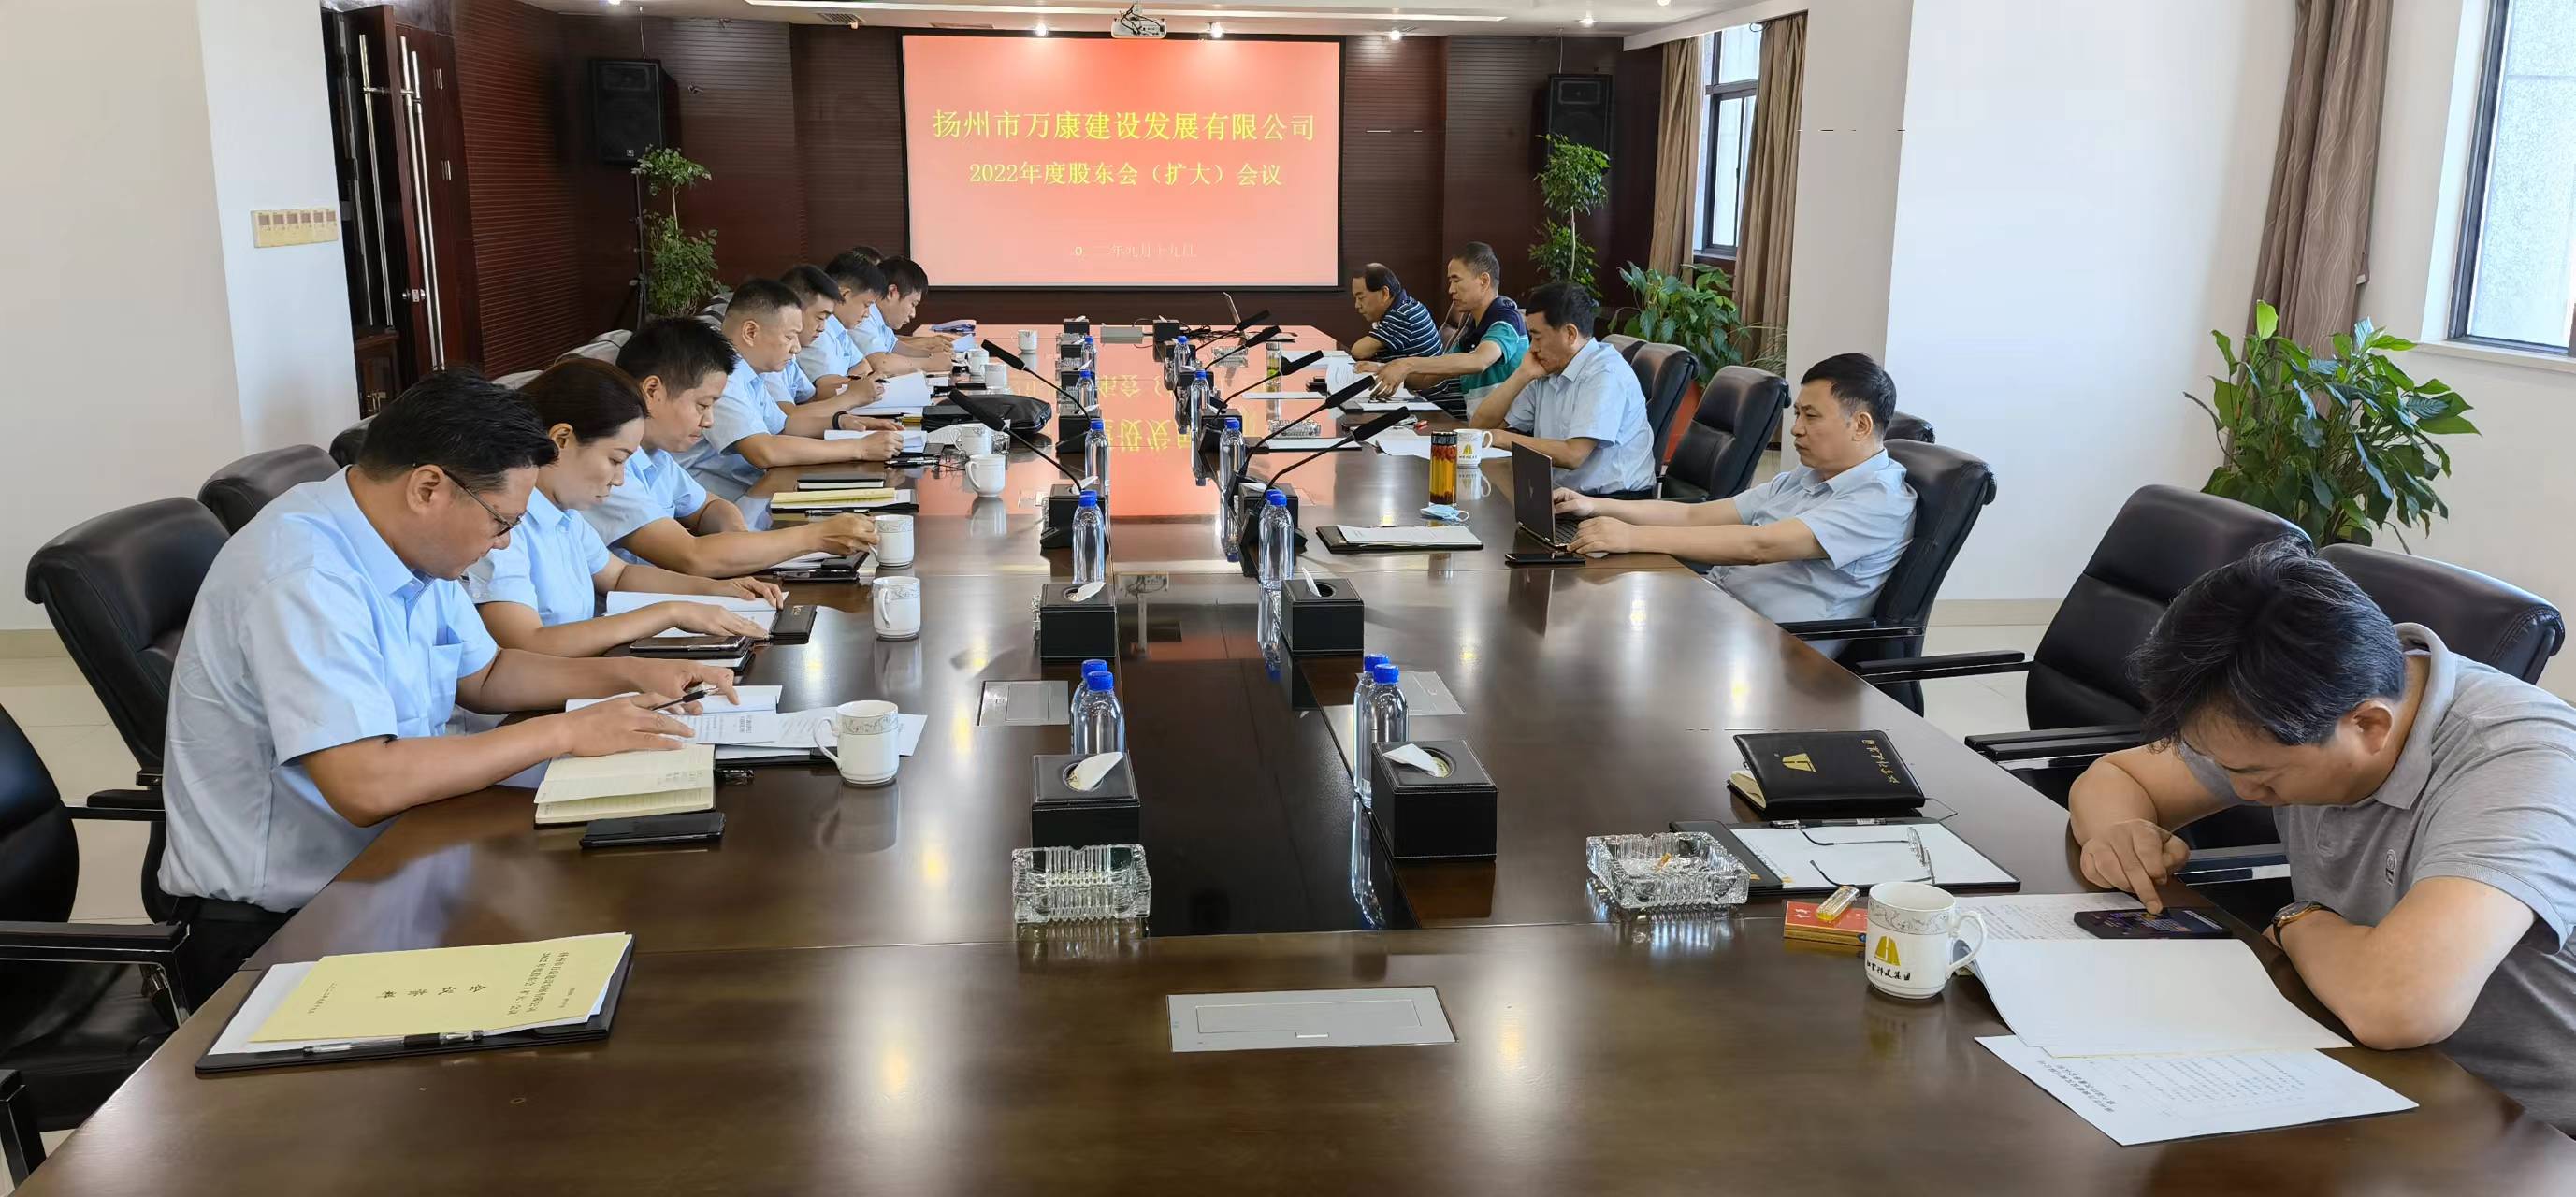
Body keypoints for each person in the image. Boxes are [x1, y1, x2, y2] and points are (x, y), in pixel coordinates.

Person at [157, 371, 737, 993]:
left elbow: (487, 672)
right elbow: (364, 782)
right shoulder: (304, 576)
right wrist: (566, 731)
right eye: (500, 522)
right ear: (429, 488)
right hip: (287, 929)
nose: (505, 543)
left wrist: (633, 673)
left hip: (400, 865)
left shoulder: (402, 542)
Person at [2067, 540, 2576, 1128]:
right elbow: (2120, 776)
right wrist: (2119, 832)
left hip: (2527, 1123)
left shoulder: (2522, 763)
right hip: (2372, 1062)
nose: (2241, 789)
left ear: (2369, 725)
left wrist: (2298, 920)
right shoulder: (2289, 700)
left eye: (2259, 775)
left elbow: (2399, 1006)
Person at [1556, 353, 1913, 626]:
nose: (1796, 429)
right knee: (1586, 610)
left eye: (1811, 416)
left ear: (1861, 425)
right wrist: (1594, 504)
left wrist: (1633, 537)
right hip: (1719, 610)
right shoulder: (1807, 477)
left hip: (1779, 649)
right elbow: (1694, 514)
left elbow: (1759, 546)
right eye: (1798, 415)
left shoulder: (1879, 500)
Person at [466, 358, 786, 656]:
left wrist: (716, 590)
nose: (619, 480)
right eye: (615, 460)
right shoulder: (500, 525)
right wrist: (671, 612)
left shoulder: (564, 511)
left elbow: (619, 575)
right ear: (561, 440)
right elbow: (526, 644)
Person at [592, 317, 878, 576]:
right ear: (652, 390)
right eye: (702, 405)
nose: (709, 421)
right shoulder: (610, 466)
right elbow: (691, 556)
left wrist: (739, 539)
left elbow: (709, 506)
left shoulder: (656, 455)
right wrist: (816, 536)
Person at [678, 277, 903, 500]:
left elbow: (783, 426)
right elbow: (763, 451)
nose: (796, 348)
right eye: (789, 337)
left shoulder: (749, 372)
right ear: (751, 332)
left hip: (757, 488)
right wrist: (860, 448)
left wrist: (840, 422)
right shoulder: (719, 375)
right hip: (721, 504)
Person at [1465, 281, 1657, 498]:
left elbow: (1573, 455)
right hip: (1563, 494)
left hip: (1616, 501)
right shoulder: (1547, 368)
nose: (1532, 348)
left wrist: (1500, 438)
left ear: (1570, 334)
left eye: (1537, 337)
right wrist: (1522, 375)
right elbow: (1480, 427)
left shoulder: (1605, 373)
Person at [1365, 242, 1527, 410]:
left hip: (1505, 425)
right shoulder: (1472, 330)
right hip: (1477, 423)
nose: (1451, 289)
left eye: (1456, 280)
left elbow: (1479, 361)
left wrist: (1406, 364)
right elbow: (1427, 378)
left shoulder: (1506, 319)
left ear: (1484, 281)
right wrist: (1383, 369)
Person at [800, 257, 889, 398]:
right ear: (844, 295)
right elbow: (827, 388)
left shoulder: (839, 329)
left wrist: (850, 382)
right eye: (866, 305)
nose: (867, 314)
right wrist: (860, 383)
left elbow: (863, 365)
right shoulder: (818, 331)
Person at [1347, 262, 1441, 366]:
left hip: (1423, 376)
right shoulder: (1408, 304)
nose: (1357, 305)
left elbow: (1358, 351)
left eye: (1361, 298)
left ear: (1384, 293)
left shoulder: (1402, 316)